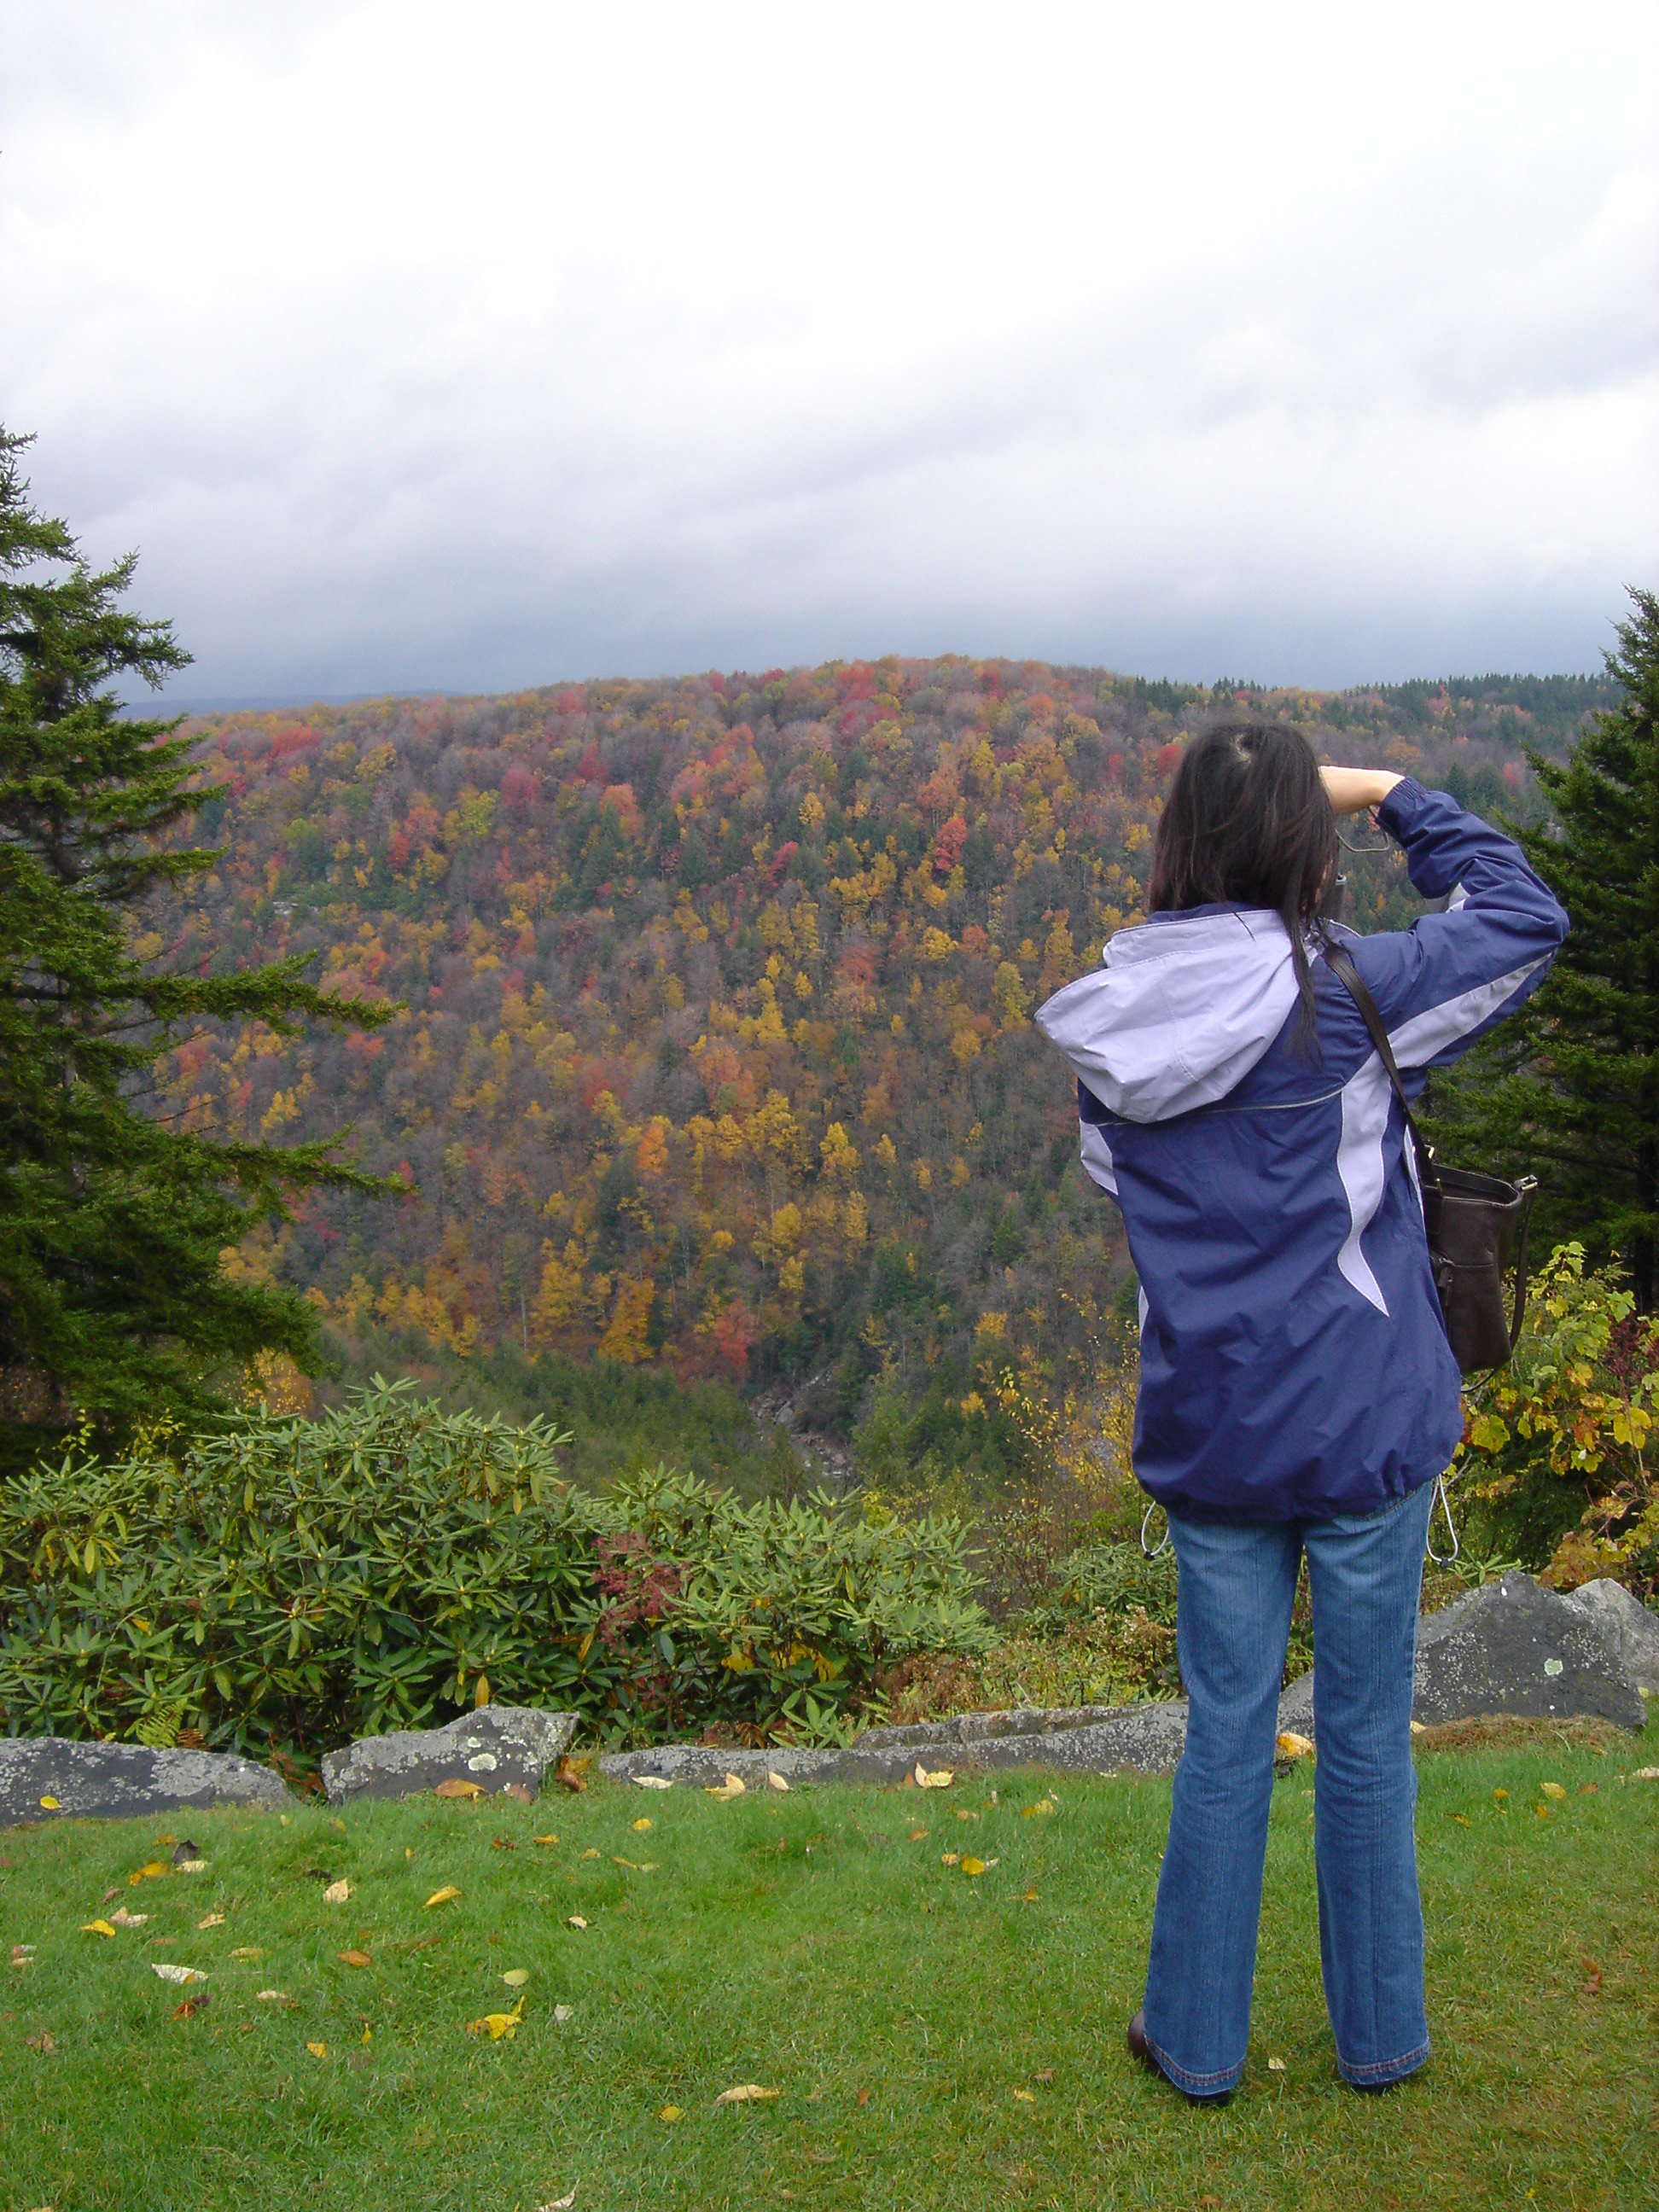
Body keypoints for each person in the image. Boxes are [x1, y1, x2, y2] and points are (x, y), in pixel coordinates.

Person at [1035, 724, 1568, 2100]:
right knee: (1365, 1733)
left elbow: (1129, 1191)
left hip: (1213, 1425)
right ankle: (1379, 2038)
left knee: (1225, 1733)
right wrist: (1393, 794)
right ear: (1304, 845)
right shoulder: (1352, 995)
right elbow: (1523, 916)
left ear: (1178, 843)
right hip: (1365, 1416)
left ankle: (1196, 2044)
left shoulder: (1111, 1028)